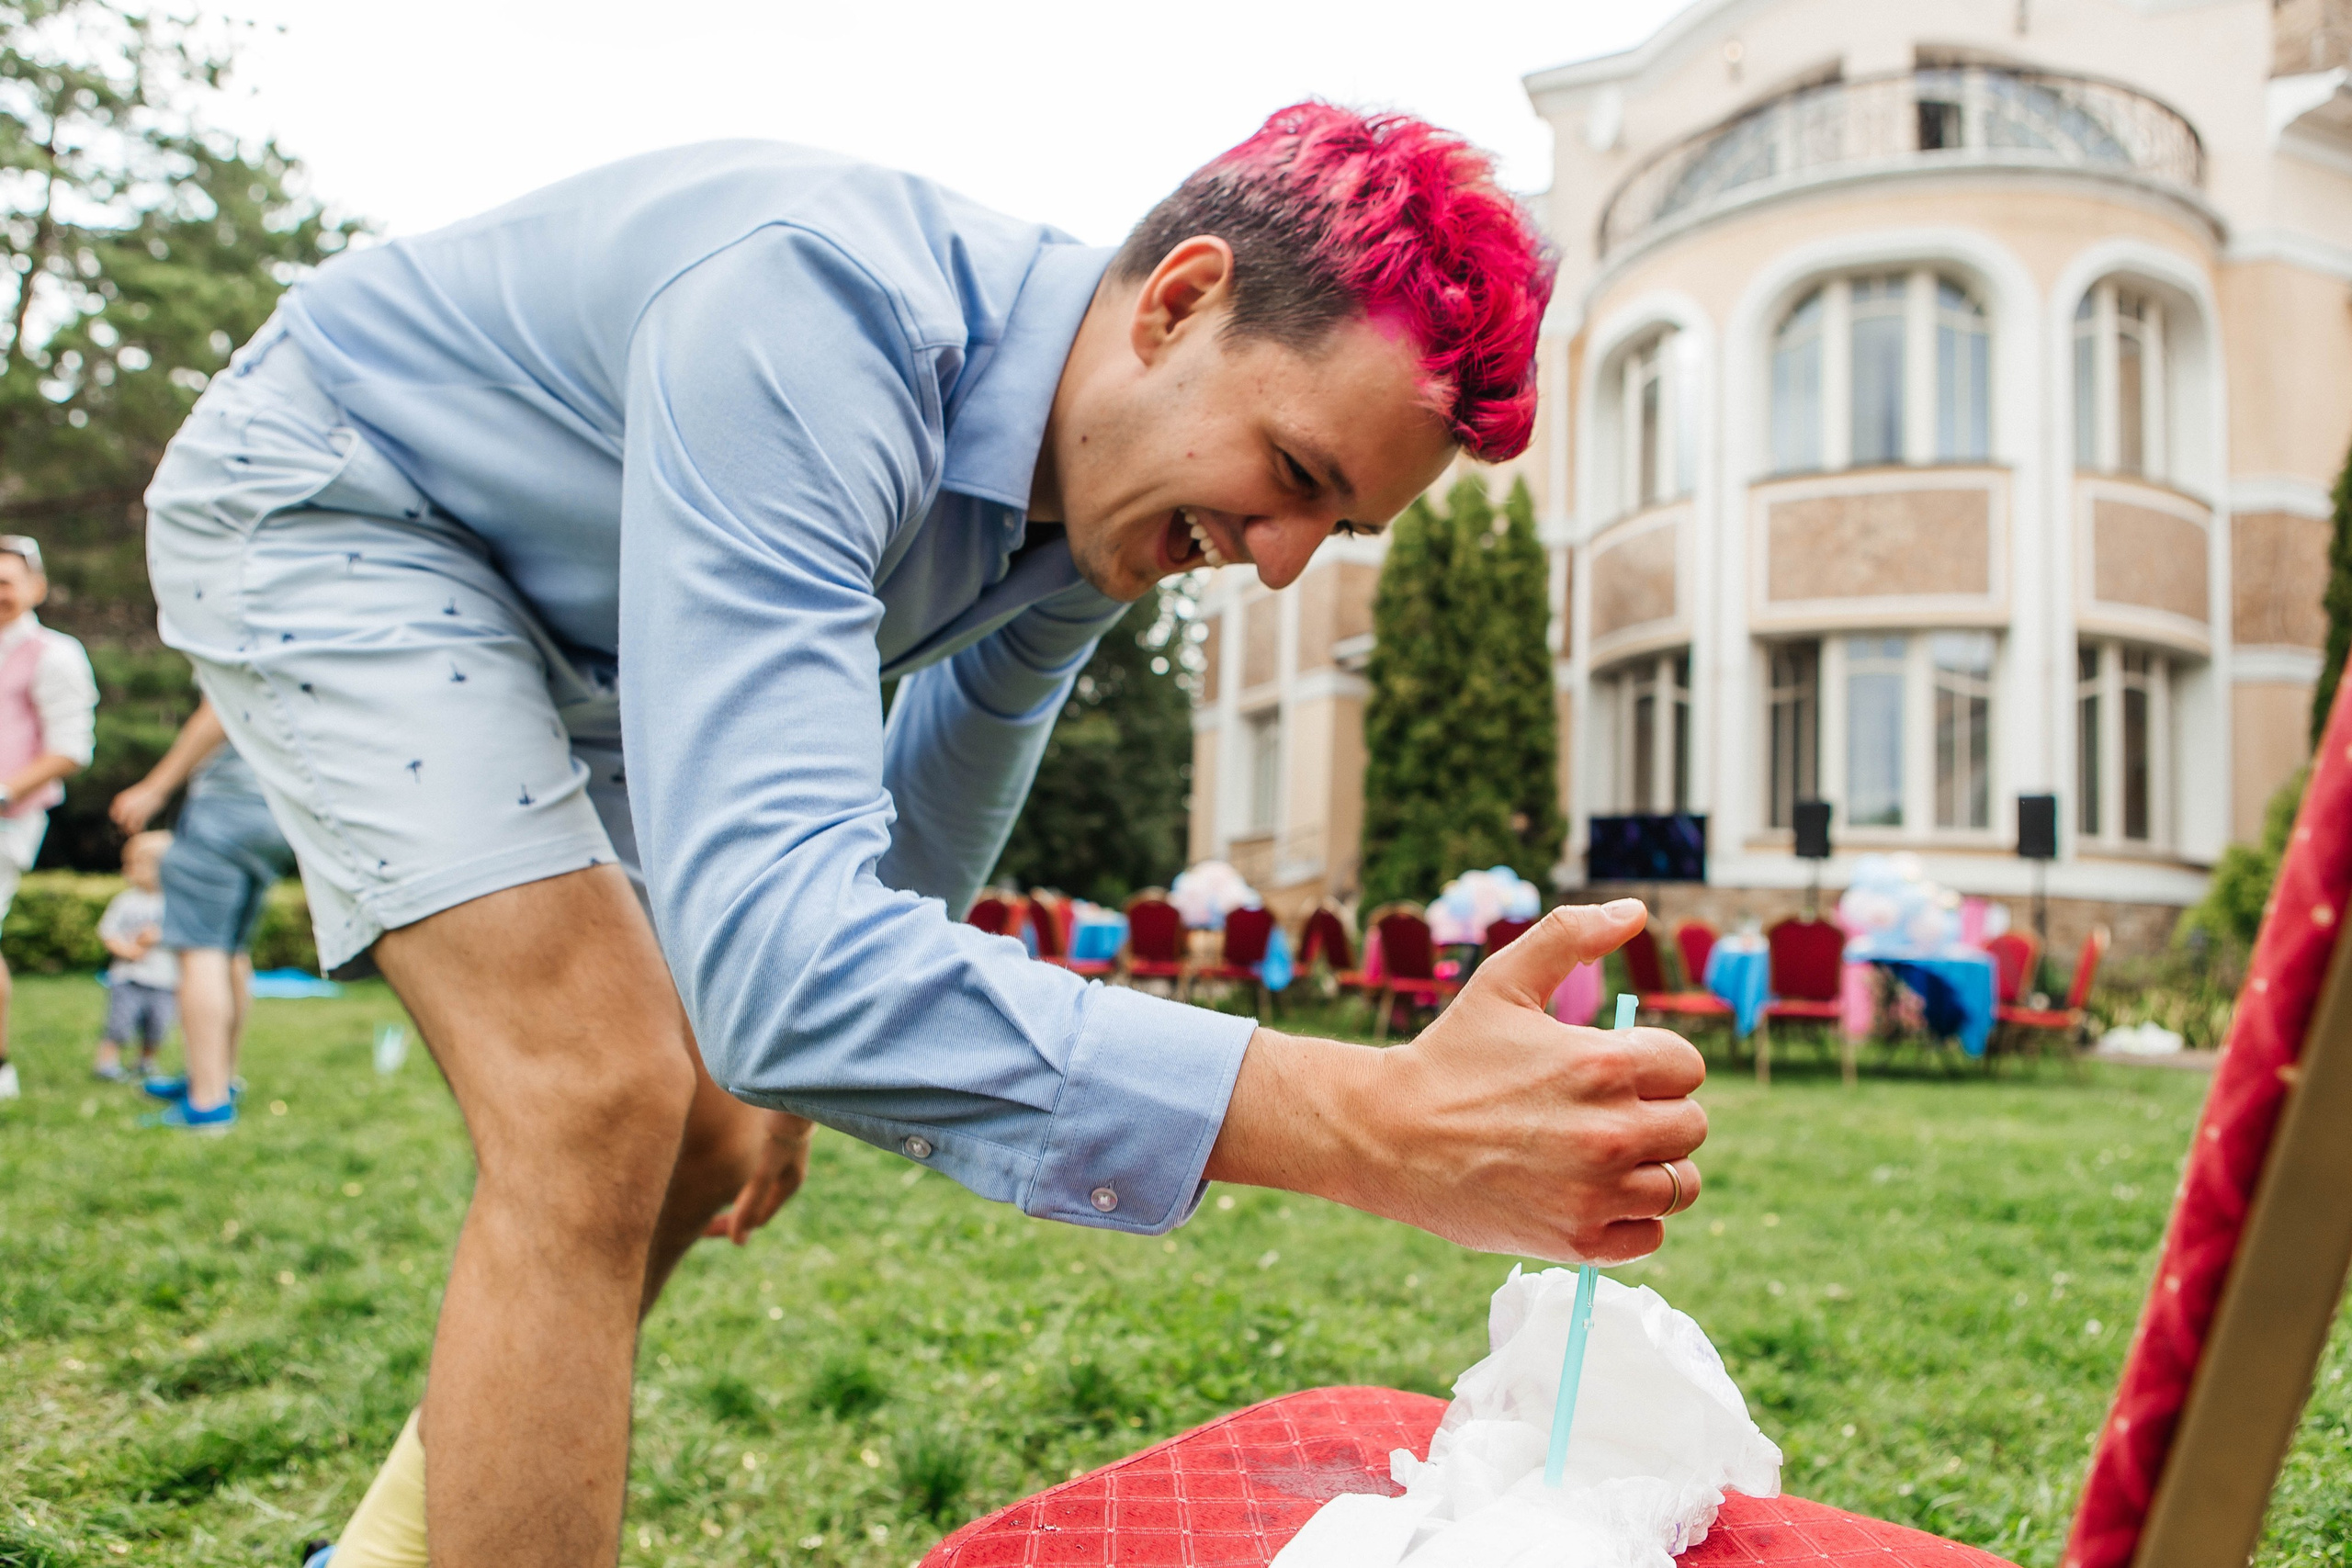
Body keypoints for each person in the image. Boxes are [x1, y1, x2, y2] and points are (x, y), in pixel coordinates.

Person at [142, 106, 1707, 1567]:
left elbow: (932, 800)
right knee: (598, 1085)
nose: (1283, 564)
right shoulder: (817, 319)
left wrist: (807, 1076)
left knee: (703, 1108)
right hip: (351, 502)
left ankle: (399, 1540)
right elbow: (791, 968)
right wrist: (1372, 1120)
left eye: (1339, 524)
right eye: (1294, 475)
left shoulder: (1090, 516)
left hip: (595, 638)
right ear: (1178, 300)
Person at [110, 696, 300, 1130]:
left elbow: (221, 706)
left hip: (226, 806)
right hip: (276, 811)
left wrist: (155, 787)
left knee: (200, 952)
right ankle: (219, 1076)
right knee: (231, 950)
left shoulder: (241, 631)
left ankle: (208, 1100)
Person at [0, 536, 98, 1103]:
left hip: (10, 820)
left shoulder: (54, 655)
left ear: (36, 587)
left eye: (6, 582)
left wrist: (5, 790)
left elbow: (71, 748)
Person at [91, 830, 178, 1082]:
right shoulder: (126, 901)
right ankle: (107, 1062)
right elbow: (108, 934)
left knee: (158, 1026)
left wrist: (158, 937)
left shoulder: (173, 904)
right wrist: (128, 951)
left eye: (137, 864)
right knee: (119, 1022)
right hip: (128, 977)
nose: (128, 870)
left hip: (165, 980)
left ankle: (146, 1062)